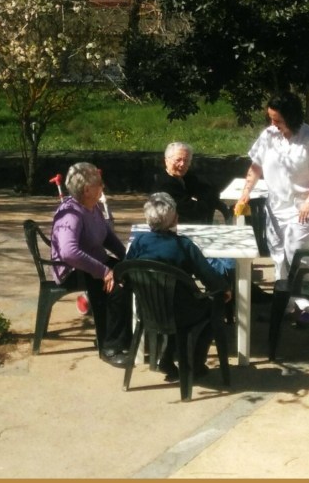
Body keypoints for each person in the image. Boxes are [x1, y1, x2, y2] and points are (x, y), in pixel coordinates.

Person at [237, 92, 309, 323]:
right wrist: (245, 193)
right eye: (271, 118)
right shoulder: (268, 135)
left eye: (278, 119)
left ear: (291, 117)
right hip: (276, 206)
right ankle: (284, 304)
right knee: (279, 255)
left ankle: (308, 307)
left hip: (303, 206)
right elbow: (255, 167)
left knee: (297, 255)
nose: (273, 123)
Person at [125, 193, 232, 381]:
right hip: (181, 312)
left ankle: (167, 359)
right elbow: (208, 276)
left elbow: (125, 272)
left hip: (148, 310)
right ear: (175, 219)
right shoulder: (184, 245)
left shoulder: (140, 242)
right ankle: (195, 364)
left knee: (175, 301)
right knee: (214, 309)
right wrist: (224, 289)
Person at [49, 162, 132, 367]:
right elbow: (68, 252)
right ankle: (109, 347)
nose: (103, 186)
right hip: (73, 269)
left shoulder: (92, 206)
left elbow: (107, 235)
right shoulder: (71, 214)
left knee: (132, 273)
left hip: (94, 260)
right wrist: (104, 271)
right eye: (99, 183)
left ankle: (126, 337)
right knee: (117, 288)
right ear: (87, 189)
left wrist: (127, 258)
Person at [151, 142, 226, 225]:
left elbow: (211, 190)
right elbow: (194, 212)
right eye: (178, 160)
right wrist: (203, 200)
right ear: (166, 161)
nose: (182, 164)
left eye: (186, 160)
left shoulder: (186, 177)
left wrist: (200, 200)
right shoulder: (164, 186)